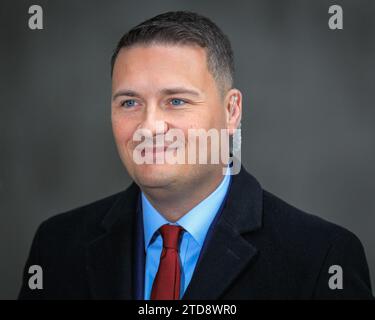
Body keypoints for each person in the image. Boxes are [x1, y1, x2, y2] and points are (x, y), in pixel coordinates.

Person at [19, 11, 373, 300]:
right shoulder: (57, 247)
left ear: (232, 110)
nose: (150, 126)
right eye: (129, 102)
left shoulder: (322, 258)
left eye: (176, 101)